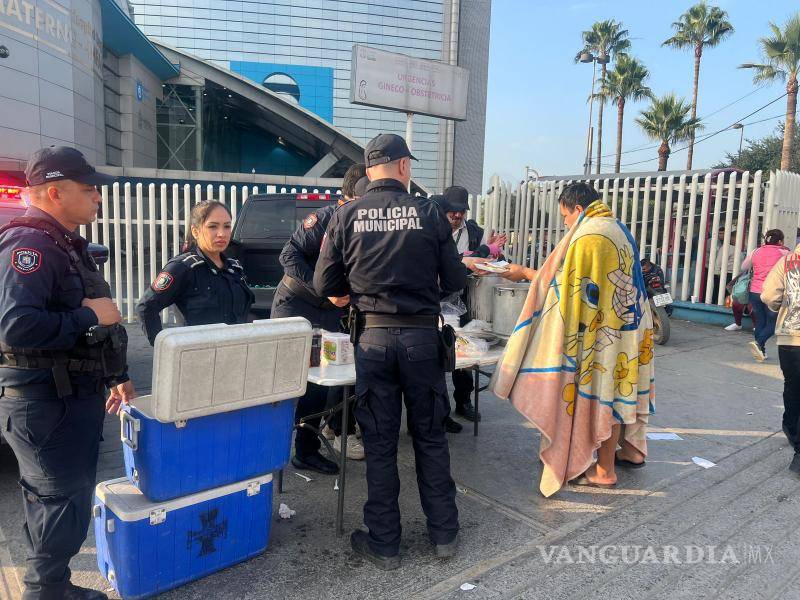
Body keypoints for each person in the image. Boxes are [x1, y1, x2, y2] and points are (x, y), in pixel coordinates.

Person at [314, 133, 474, 569]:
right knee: (430, 438)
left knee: (381, 444)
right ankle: (444, 534)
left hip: (373, 342)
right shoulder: (430, 213)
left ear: (369, 171)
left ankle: (385, 542)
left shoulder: (344, 216)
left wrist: (357, 294)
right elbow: (457, 279)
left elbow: (324, 285)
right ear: (404, 167)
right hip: (422, 339)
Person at [0, 146, 135, 600]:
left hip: (66, 399)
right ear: (54, 192)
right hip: (45, 403)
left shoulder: (61, 243)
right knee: (61, 505)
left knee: (55, 504)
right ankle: (45, 594)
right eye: (89, 189)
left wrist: (113, 371)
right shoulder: (31, 244)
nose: (98, 197)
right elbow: (16, 327)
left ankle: (53, 586)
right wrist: (89, 316)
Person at [492, 182, 655, 496]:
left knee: (601, 392)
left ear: (578, 209)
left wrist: (523, 273)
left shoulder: (588, 236)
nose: (565, 223)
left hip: (602, 332)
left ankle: (604, 470)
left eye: (565, 216)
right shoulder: (618, 227)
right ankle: (630, 450)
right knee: (619, 390)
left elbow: (562, 285)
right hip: (628, 326)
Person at [271, 164, 367, 472]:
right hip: (297, 304)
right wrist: (322, 288)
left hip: (327, 312)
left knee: (320, 382)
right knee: (286, 381)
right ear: (351, 194)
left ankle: (306, 451)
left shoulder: (361, 223)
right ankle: (267, 452)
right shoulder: (325, 219)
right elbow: (288, 255)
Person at [434, 185, 506, 432]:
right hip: (435, 300)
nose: (457, 217)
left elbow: (492, 260)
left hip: (462, 300)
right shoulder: (433, 227)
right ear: (444, 210)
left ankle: (463, 401)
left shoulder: (475, 232)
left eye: (460, 212)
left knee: (464, 352)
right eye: (452, 212)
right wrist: (479, 255)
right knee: (436, 357)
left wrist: (492, 255)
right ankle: (439, 412)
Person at [136, 201, 254, 346]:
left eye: (227, 226)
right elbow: (146, 307)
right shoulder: (183, 268)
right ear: (195, 231)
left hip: (234, 354)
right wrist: (164, 347)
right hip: (197, 359)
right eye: (212, 226)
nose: (221, 234)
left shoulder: (234, 268)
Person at [761, 241, 800, 473]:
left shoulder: (786, 261)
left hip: (791, 338)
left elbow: (768, 295)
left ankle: (791, 428)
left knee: (793, 387)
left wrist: (782, 305)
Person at [740, 229, 790, 362]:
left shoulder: (756, 251)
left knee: (760, 321)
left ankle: (761, 350)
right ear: (780, 241)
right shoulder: (784, 252)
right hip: (773, 293)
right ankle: (759, 343)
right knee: (774, 323)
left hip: (755, 292)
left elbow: (744, 267)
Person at [708, 226, 743, 300]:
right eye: (736, 237)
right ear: (731, 238)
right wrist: (717, 274)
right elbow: (718, 262)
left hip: (736, 275)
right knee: (721, 295)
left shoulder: (738, 248)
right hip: (726, 275)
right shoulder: (726, 248)